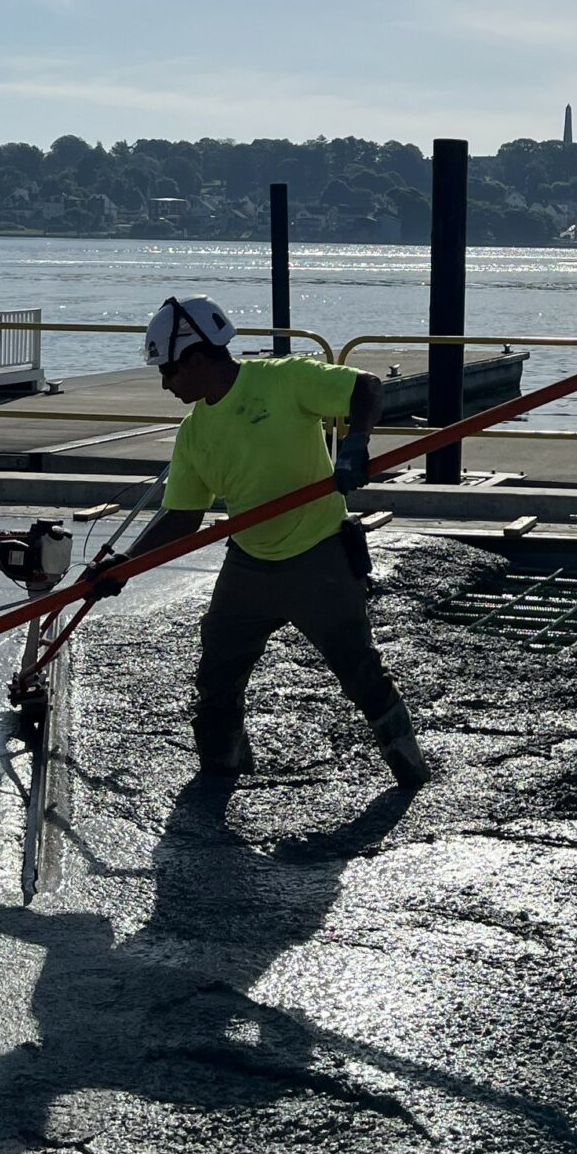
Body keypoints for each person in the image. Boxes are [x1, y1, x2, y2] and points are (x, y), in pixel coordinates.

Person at [85, 295, 428, 788]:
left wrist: (355, 443)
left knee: (358, 672)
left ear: (197, 359)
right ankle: (221, 771)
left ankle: (410, 769)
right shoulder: (194, 433)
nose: (165, 383)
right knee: (216, 678)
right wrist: (124, 566)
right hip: (248, 566)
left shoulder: (284, 379)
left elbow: (366, 389)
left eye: (168, 371)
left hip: (320, 557)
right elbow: (182, 518)